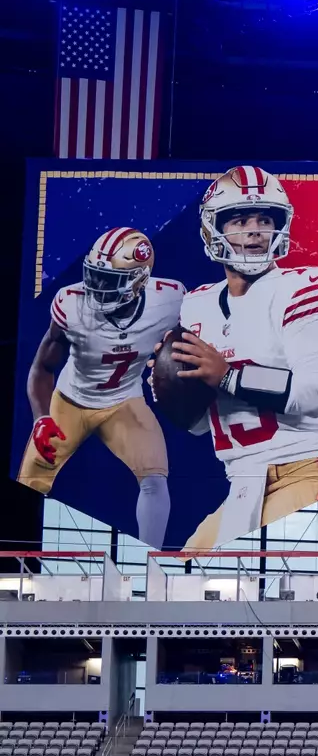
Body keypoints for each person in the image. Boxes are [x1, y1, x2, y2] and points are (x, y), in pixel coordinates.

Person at [151, 165, 318, 551]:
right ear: (214, 230)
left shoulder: (305, 284)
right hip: (242, 480)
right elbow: (199, 427)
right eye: (240, 219)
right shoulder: (197, 304)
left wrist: (226, 376)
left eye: (264, 218)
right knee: (182, 579)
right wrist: (170, 384)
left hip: (303, 470)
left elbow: (313, 393)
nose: (256, 229)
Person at [21, 228, 182, 547]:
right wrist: (41, 418)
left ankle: (151, 569)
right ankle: (15, 562)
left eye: (108, 280)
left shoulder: (170, 300)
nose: (95, 287)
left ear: (139, 279)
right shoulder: (71, 303)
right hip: (69, 402)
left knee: (154, 481)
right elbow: (43, 366)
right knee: (29, 482)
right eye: (94, 276)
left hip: (124, 401)